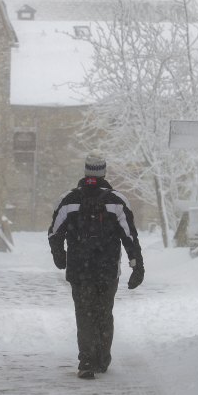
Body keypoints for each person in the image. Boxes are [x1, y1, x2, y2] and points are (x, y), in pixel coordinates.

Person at [48, 150, 145, 379]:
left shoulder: (68, 200)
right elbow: (129, 237)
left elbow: (54, 233)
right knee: (104, 312)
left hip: (79, 270)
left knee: (84, 314)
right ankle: (102, 358)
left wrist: (59, 256)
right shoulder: (118, 201)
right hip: (107, 269)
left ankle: (87, 361)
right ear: (104, 172)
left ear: (85, 171)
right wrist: (136, 265)